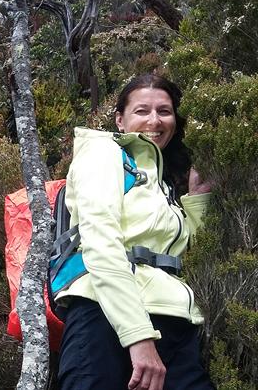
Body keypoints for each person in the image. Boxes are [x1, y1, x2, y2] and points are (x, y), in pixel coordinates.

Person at [55, 74, 214, 390]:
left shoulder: (162, 187)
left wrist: (196, 199)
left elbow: (187, 256)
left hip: (173, 326)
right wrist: (137, 336)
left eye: (164, 111)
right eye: (142, 111)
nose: (154, 120)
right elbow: (99, 242)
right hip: (103, 318)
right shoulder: (103, 154)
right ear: (120, 119)